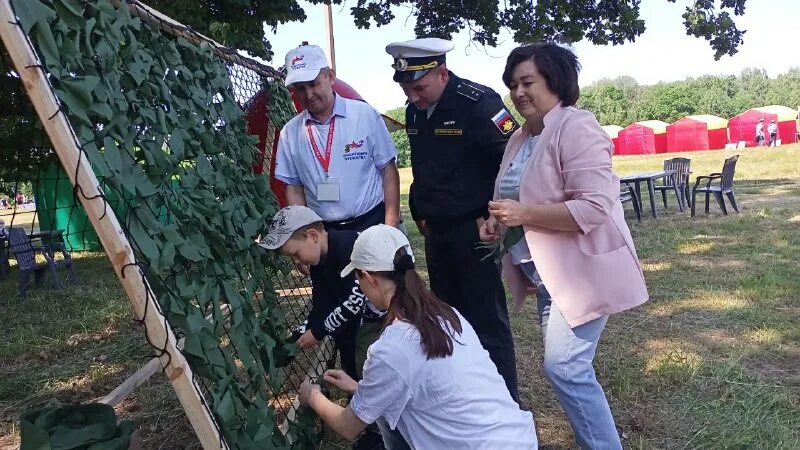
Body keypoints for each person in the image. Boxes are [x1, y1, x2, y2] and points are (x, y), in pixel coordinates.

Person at [480, 43, 649, 449]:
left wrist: (523, 214)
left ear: (556, 82)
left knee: (567, 370)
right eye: (512, 85)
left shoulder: (577, 126)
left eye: (528, 82)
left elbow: (592, 208)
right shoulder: (521, 137)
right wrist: (497, 223)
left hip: (583, 275)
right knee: (567, 370)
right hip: (548, 276)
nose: (518, 93)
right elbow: (515, 197)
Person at [297, 224, 538, 449]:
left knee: (387, 416)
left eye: (358, 279)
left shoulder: (391, 349)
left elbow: (348, 426)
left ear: (369, 278)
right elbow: (423, 381)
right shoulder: (445, 314)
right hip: (516, 438)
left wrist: (313, 395)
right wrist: (359, 387)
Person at [384, 37, 521, 401]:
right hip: (436, 231)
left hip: (474, 231)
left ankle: (505, 403)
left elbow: (513, 163)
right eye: (406, 88)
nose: (413, 97)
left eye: (419, 87)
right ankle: (465, 398)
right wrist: (420, 212)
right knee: (449, 321)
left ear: (442, 73)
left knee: (486, 321)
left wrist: (491, 214)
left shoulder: (479, 104)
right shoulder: (415, 109)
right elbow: (427, 166)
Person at [259, 205, 394, 449]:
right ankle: (368, 423)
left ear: (312, 235)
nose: (296, 261)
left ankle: (380, 431)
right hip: (352, 328)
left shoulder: (347, 246)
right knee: (352, 368)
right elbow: (321, 306)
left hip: (375, 323)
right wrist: (295, 339)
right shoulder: (319, 262)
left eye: (296, 253)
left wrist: (319, 331)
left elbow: (355, 301)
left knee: (367, 368)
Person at [275, 44, 401, 234]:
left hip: (371, 226)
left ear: (330, 77)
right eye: (300, 88)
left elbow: (388, 170)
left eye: (314, 83)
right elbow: (294, 188)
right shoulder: (290, 133)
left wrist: (391, 227)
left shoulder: (364, 115)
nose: (308, 94)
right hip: (324, 235)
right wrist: (302, 235)